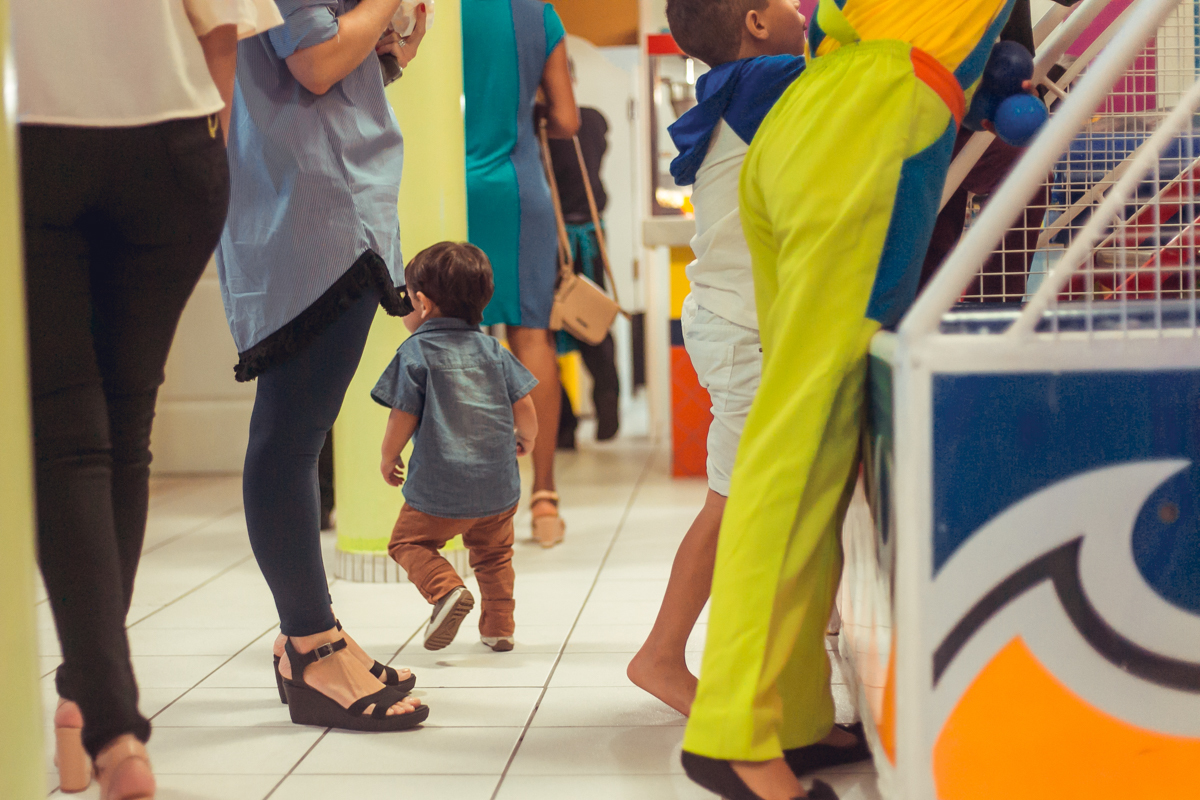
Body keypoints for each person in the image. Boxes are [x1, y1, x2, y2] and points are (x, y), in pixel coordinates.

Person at [682, 0, 1018, 798]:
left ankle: (789, 719)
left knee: (814, 445)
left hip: (822, 111)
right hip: (874, 114)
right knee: (799, 445)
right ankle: (734, 731)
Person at [14, 1, 281, 796]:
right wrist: (206, 155)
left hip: (30, 138)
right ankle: (88, 701)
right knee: (124, 428)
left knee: (66, 437)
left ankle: (111, 723)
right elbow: (222, 28)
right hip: (175, 142)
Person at [217, 0, 432, 732]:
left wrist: (390, 48)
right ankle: (312, 648)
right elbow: (312, 65)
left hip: (330, 200)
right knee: (289, 437)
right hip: (311, 207)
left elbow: (332, 69)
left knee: (293, 434)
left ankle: (311, 640)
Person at [627, 0, 808, 720]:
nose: (807, 11)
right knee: (732, 502)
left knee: (749, 496)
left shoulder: (738, 89)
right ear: (757, 26)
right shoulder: (768, 78)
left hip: (733, 318)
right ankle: (661, 656)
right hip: (742, 328)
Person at [376, 243, 539, 653]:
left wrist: (388, 454)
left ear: (423, 304)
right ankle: (499, 627)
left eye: (406, 299)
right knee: (495, 555)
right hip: (498, 487)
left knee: (407, 543)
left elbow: (402, 415)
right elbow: (526, 404)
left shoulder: (415, 352)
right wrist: (527, 438)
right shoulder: (494, 351)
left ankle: (445, 589)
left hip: (440, 489)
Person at [462, 0, 580, 547]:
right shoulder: (537, 12)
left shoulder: (421, 9)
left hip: (444, 185)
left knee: (447, 339)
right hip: (515, 187)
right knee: (532, 334)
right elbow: (567, 120)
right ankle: (545, 498)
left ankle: (461, 497)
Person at [548, 105, 621, 448]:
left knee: (544, 330)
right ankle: (607, 405)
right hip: (589, 236)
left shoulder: (538, 125)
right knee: (593, 321)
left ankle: (563, 425)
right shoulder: (593, 119)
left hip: (552, 239)